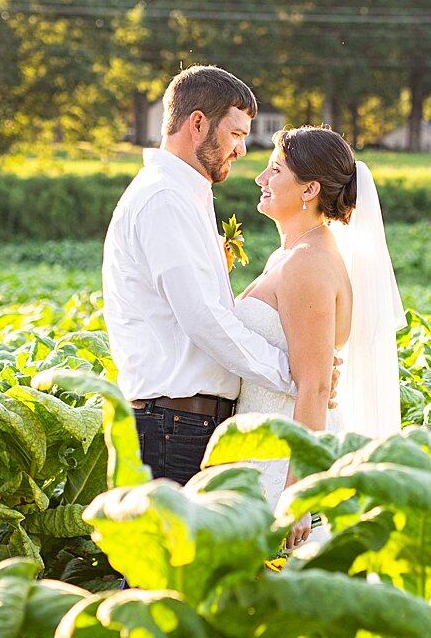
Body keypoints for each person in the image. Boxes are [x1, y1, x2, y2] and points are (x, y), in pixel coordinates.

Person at [103, 65, 303, 485]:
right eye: (235, 134)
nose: (243, 150)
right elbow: (204, 319)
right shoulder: (164, 199)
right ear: (197, 123)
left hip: (182, 423)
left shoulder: (184, 194)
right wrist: (292, 372)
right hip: (172, 425)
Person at [232, 125, 405, 549]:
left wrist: (297, 496)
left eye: (274, 170)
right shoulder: (290, 255)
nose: (261, 179)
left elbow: (315, 385)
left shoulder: (307, 263)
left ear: (309, 188)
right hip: (260, 444)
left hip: (282, 456)